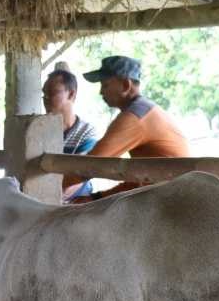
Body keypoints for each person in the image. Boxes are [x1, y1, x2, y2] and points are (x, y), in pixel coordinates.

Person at [64, 55, 190, 200]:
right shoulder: (145, 110)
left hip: (173, 198)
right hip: (172, 192)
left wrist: (54, 184)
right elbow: (141, 179)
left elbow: (92, 165)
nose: (101, 92)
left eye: (105, 85)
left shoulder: (135, 117)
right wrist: (97, 197)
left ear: (125, 85)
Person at [42, 65, 97, 198]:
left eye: (53, 93)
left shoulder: (86, 132)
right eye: (44, 94)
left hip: (72, 197)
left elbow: (77, 179)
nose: (46, 99)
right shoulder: (39, 130)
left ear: (71, 94)